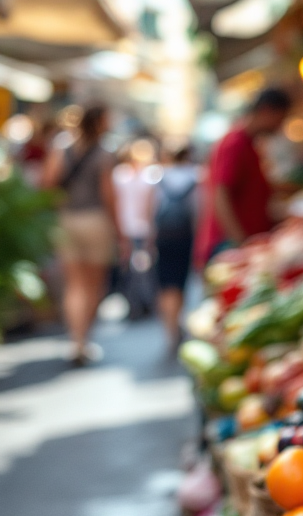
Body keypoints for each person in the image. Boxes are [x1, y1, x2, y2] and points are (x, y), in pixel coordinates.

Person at [42, 106, 123, 366]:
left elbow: (48, 183)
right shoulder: (104, 152)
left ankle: (76, 341)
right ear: (99, 121)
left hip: (67, 219)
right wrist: (119, 230)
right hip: (95, 220)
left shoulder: (62, 147)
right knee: (93, 285)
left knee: (74, 285)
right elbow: (108, 194)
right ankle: (85, 339)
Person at [195, 88, 290, 264]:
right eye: (281, 118)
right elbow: (220, 195)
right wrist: (242, 244)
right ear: (266, 111)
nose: (281, 125)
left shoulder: (250, 145)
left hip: (243, 244)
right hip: (228, 247)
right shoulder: (234, 143)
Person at [153, 143, 198, 350]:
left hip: (163, 237)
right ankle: (176, 323)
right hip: (185, 236)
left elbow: (149, 210)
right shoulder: (195, 177)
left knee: (166, 283)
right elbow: (200, 211)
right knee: (180, 282)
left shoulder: (158, 177)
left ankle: (170, 328)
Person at [112, 140, 159, 320]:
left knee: (134, 268)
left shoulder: (122, 175)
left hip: (131, 227)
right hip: (135, 228)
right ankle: (139, 303)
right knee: (138, 268)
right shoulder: (144, 176)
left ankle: (138, 304)